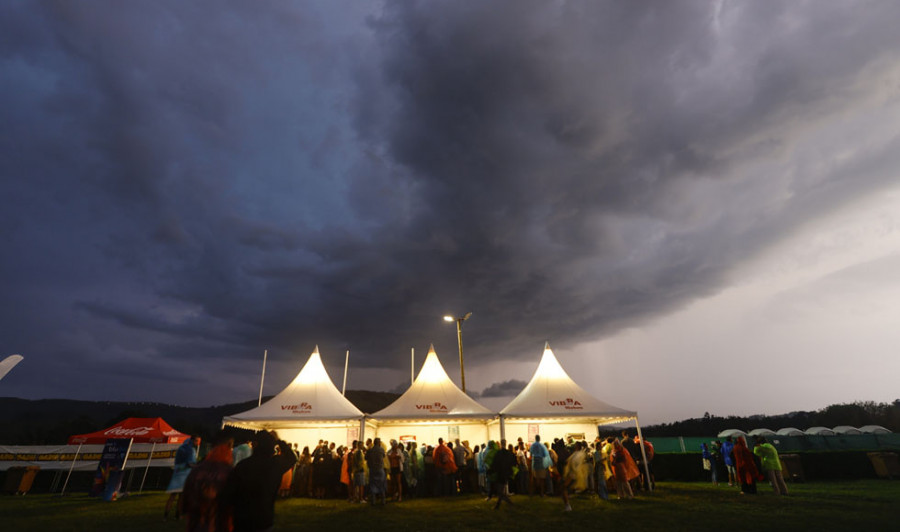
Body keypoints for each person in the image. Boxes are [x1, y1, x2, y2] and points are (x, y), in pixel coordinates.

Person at [223, 430, 297, 532]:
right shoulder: (275, 464)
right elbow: (292, 458)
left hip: (242, 519)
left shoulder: (243, 466)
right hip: (264, 519)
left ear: (254, 445)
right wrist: (279, 441)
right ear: (272, 447)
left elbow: (229, 493)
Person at [181, 435, 233, 532]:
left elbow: (185, 504)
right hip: (219, 525)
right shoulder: (229, 473)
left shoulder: (197, 470)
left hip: (196, 525)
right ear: (229, 447)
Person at [165, 435, 201, 521]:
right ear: (192, 440)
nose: (197, 443)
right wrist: (198, 466)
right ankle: (178, 515)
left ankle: (165, 516)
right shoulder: (190, 450)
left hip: (177, 474)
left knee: (172, 496)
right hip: (184, 475)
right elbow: (190, 463)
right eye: (197, 441)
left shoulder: (181, 448)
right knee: (181, 497)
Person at [561, 441, 588, 511]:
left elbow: (574, 463)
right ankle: (567, 503)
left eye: (575, 445)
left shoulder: (579, 454)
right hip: (572, 473)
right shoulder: (576, 454)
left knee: (564, 488)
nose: (574, 446)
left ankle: (567, 505)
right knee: (565, 488)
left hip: (573, 474)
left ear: (578, 446)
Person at [489, 439, 515, 509]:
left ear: (500, 444)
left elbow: (495, 464)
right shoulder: (509, 453)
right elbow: (513, 463)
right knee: (501, 490)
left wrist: (491, 471)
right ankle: (498, 505)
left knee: (500, 491)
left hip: (500, 473)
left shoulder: (498, 453)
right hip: (506, 473)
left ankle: (509, 503)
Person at [366, 437, 387, 505]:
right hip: (380, 468)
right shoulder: (381, 449)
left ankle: (373, 501)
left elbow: (366, 457)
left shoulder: (370, 450)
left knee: (373, 485)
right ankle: (383, 500)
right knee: (382, 484)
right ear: (379, 443)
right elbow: (384, 456)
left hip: (372, 469)